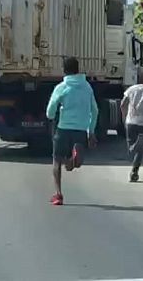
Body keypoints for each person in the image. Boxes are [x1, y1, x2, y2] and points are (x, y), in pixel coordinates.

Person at [45, 56, 98, 206]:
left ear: (64, 70)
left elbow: (50, 111)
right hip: (81, 129)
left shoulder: (62, 87)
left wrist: (52, 115)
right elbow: (95, 110)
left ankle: (58, 194)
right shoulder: (87, 87)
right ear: (78, 69)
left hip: (63, 128)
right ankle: (74, 159)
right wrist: (91, 131)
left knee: (56, 160)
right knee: (73, 163)